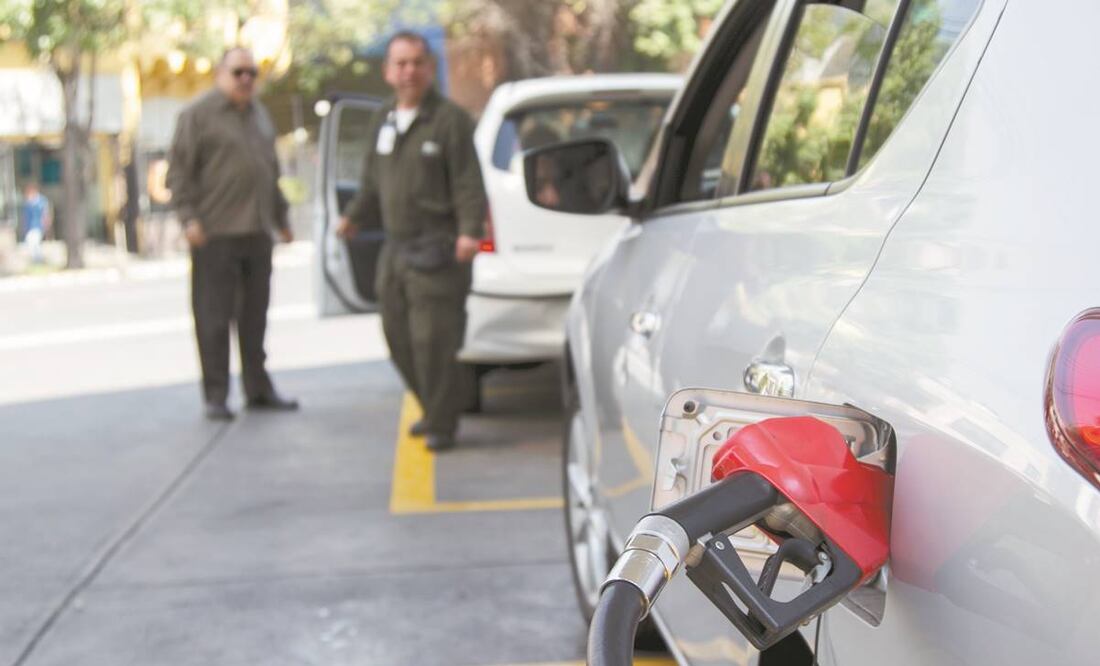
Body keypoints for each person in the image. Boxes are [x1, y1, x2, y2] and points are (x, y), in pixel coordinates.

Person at [338, 31, 487, 452]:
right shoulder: (385, 117)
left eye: (417, 62)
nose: (409, 71)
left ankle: (442, 422)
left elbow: (468, 183)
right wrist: (352, 217)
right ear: (388, 71)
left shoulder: (449, 120)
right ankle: (431, 407)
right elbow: (370, 182)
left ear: (429, 68)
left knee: (434, 341)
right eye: (400, 64)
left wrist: (469, 232)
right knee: (398, 336)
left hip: (438, 248)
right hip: (396, 250)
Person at [167, 47, 299, 421]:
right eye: (238, 72)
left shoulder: (258, 114)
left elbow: (269, 171)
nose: (246, 80)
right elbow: (178, 172)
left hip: (256, 231)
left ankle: (258, 388)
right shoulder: (198, 115)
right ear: (220, 73)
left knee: (255, 317)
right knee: (213, 318)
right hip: (215, 234)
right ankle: (216, 395)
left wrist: (282, 217)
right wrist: (188, 219)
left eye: (252, 73)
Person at [21, 182, 50, 264]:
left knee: (34, 242)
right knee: (31, 242)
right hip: (31, 226)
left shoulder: (41, 201)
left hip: (38, 226)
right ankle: (37, 259)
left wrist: (46, 224)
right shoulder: (28, 203)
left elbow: (45, 214)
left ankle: (39, 259)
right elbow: (26, 217)